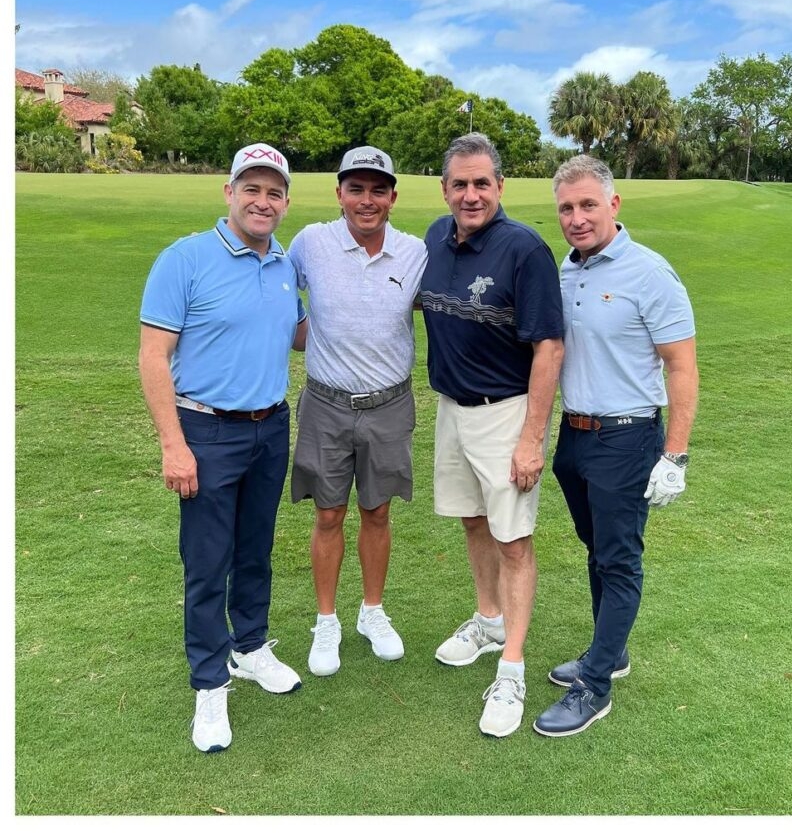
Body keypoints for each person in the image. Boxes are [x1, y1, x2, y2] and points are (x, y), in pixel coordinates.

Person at [138, 143, 307, 754]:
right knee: (208, 560)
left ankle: (250, 647)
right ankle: (210, 682)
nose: (263, 201)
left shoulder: (285, 264)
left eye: (274, 192)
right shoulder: (185, 258)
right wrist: (173, 445)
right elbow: (153, 356)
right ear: (229, 193)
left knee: (255, 548)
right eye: (251, 189)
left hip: (269, 427)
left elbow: (296, 335)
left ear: (285, 201)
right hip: (205, 429)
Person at [533, 154, 698, 738]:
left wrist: (674, 455)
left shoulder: (650, 273)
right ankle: (612, 649)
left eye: (587, 205)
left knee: (619, 558)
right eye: (566, 208)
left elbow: (681, 367)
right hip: (574, 439)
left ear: (614, 205)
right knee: (596, 547)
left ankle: (596, 684)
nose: (577, 218)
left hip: (627, 437)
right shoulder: (565, 269)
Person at [419, 132, 565, 738]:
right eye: (460, 184)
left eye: (483, 183)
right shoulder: (433, 237)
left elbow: (549, 347)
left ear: (500, 186)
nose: (471, 194)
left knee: (513, 540)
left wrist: (531, 439)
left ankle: (512, 669)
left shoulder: (525, 250)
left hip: (506, 413)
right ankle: (488, 619)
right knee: (472, 521)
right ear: (445, 188)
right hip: (452, 409)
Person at [288, 147, 427, 677]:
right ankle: (327, 620)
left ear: (393, 196)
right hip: (326, 403)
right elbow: (272, 290)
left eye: (377, 190)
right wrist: (302, 334)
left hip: (389, 404)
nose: (366, 201)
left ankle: (372, 611)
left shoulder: (415, 253)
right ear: (339, 193)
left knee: (378, 511)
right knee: (328, 514)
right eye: (356, 189)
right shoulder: (310, 243)